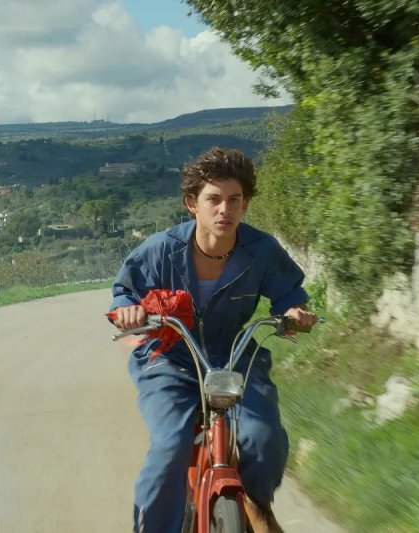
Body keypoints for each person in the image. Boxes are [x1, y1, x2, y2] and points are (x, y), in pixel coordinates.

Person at [109, 147, 316, 533]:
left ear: (246, 204)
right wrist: (129, 312)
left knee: (264, 437)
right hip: (170, 357)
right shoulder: (161, 249)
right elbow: (125, 293)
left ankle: (256, 503)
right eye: (214, 199)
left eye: (235, 199)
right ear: (192, 204)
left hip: (235, 356)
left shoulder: (261, 250)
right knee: (171, 443)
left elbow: (289, 295)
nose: (225, 209)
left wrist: (295, 314)